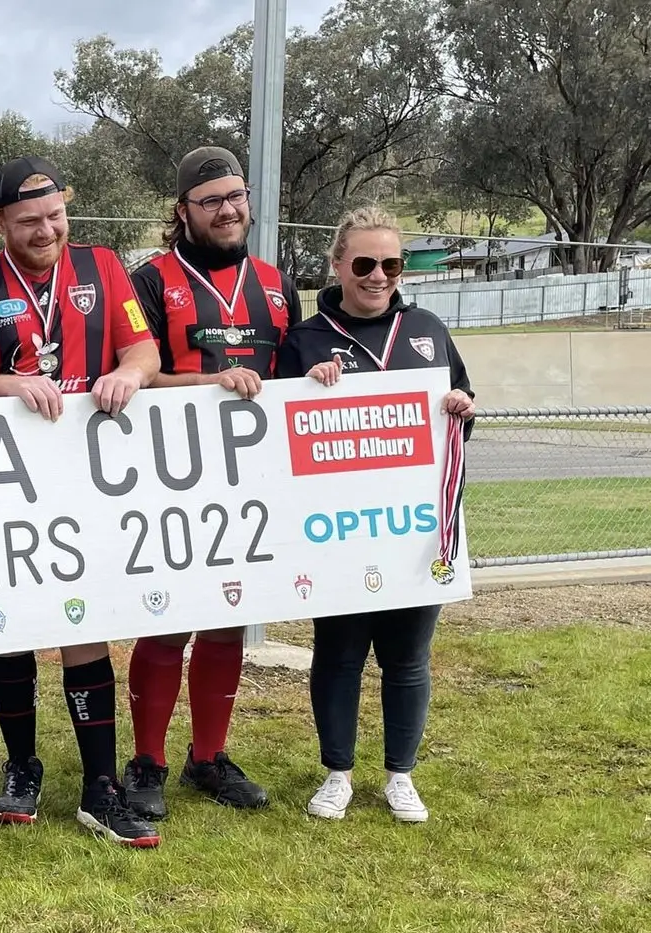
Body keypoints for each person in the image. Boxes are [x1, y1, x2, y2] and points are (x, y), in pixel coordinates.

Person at [0, 155, 163, 847]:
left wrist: (128, 372)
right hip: (6, 480)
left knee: (83, 619)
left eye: (55, 215)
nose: (46, 229)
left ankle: (101, 784)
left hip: (85, 478)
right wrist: (10, 387)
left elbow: (145, 351)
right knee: (8, 623)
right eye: (29, 219)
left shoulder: (102, 267)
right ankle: (21, 764)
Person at [276, 205, 475, 823]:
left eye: (391, 264)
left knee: (408, 659)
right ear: (337, 265)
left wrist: (464, 406)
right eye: (364, 263)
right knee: (338, 654)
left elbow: (463, 415)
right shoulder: (306, 339)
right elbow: (279, 438)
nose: (379, 276)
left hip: (415, 531)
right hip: (339, 534)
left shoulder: (428, 329)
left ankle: (400, 776)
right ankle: (337, 772)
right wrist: (308, 389)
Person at [121, 146, 302, 820]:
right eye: (210, 200)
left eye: (235, 196)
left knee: (227, 621)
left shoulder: (276, 281)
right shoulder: (149, 279)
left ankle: (208, 756)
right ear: (182, 211)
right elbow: (133, 373)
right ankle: (147, 760)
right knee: (166, 620)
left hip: (249, 482)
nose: (227, 210)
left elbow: (294, 375)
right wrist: (210, 383)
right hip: (169, 477)